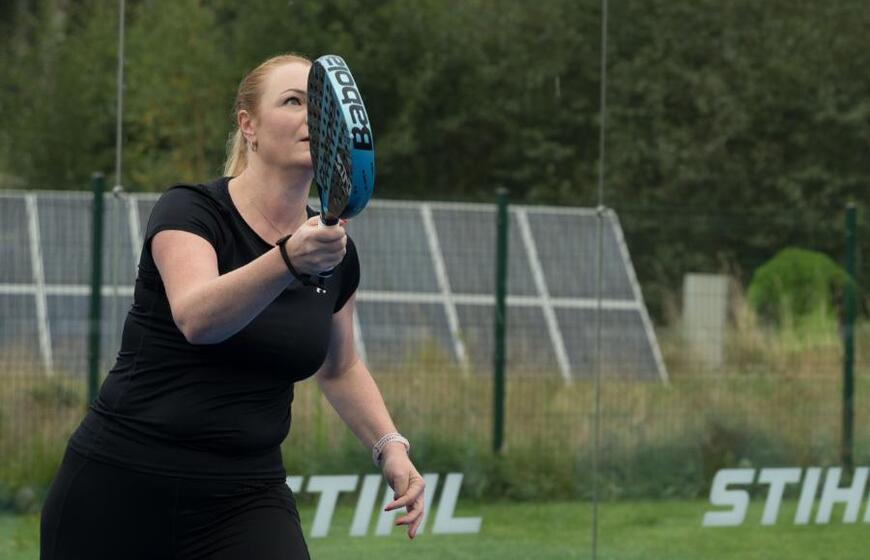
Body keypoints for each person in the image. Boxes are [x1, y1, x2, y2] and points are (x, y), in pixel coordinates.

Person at [40, 53, 425, 559]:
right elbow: (197, 319)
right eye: (293, 101)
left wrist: (390, 446)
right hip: (119, 485)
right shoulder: (190, 211)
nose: (312, 116)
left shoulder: (334, 253)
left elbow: (340, 367)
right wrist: (287, 259)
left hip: (246, 495)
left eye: (320, 106)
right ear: (249, 126)